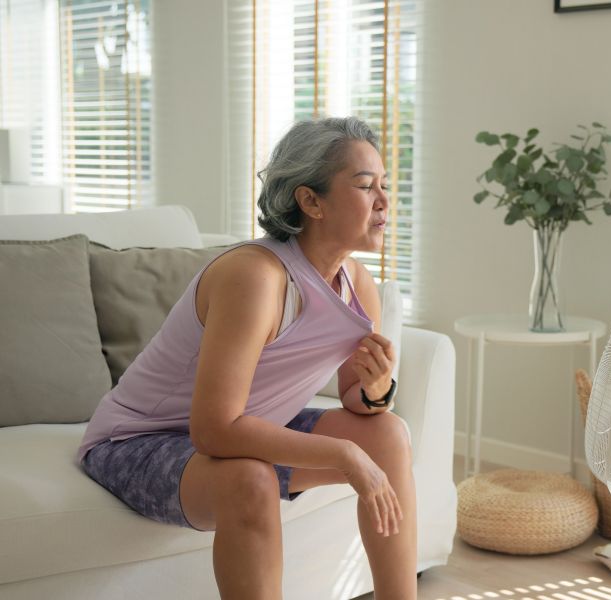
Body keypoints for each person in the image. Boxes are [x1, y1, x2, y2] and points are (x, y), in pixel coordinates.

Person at [77, 117, 416, 600]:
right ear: (311, 201)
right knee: (251, 480)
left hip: (248, 428)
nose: (384, 200)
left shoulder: (357, 283)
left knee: (388, 434)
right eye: (365, 186)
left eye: (385, 184)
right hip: (137, 441)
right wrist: (344, 454)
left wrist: (378, 390)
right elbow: (213, 430)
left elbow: (353, 397)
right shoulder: (255, 276)